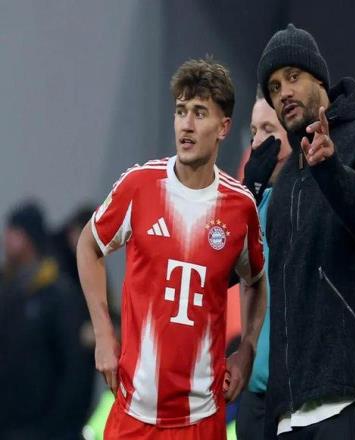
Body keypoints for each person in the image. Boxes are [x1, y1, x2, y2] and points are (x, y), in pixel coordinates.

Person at [76, 57, 266, 440]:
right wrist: (104, 334)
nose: (186, 124)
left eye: (200, 113)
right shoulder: (139, 186)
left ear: (224, 127)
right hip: (134, 411)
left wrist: (247, 348)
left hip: (202, 417)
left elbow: (256, 280)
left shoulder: (240, 206)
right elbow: (88, 245)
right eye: (181, 111)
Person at [257, 24, 355, 439]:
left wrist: (332, 171)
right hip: (291, 412)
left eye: (293, 77)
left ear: (319, 80)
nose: (284, 93)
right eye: (273, 86)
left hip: (351, 395)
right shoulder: (288, 177)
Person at [0, 201, 92, 439]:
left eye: (13, 232)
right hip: (8, 423)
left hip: (39, 428)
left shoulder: (58, 295)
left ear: (28, 238)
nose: (5, 238)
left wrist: (55, 425)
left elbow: (73, 367)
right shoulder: (8, 288)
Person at [235, 89, 292, 439]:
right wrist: (249, 194)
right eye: (254, 131)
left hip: (298, 398)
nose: (258, 143)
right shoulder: (254, 203)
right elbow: (221, 269)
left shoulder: (311, 201)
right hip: (256, 394)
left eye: (269, 130)